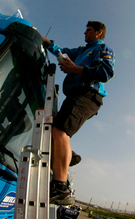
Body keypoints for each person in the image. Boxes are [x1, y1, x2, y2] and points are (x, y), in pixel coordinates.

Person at [41, 21, 115, 205]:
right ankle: (69, 155)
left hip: (88, 95)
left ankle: (60, 188)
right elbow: (60, 51)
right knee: (53, 132)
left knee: (60, 131)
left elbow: (106, 72)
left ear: (99, 33)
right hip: (74, 96)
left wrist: (74, 69)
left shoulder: (104, 48)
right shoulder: (81, 51)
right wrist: (41, 38)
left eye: (88, 30)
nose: (85, 32)